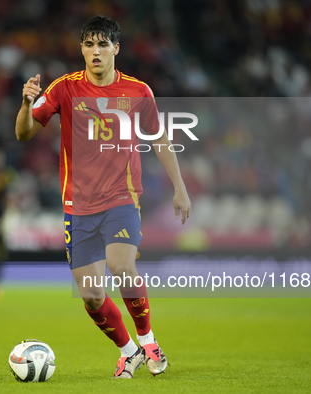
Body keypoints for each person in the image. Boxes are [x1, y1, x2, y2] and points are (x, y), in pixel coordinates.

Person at [15, 15, 191, 379]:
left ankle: (149, 340)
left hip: (121, 198)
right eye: (88, 44)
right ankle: (128, 351)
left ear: (116, 49)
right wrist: (25, 104)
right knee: (92, 296)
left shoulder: (138, 91)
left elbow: (160, 138)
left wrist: (180, 187)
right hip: (76, 206)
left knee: (122, 266)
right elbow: (24, 134)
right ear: (81, 48)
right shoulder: (64, 88)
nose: (95, 52)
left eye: (102, 45)